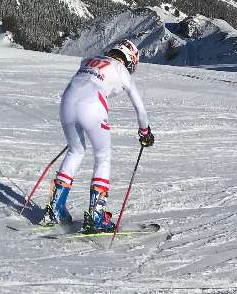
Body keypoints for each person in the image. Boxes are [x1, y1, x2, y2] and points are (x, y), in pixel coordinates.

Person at [43, 39, 155, 232]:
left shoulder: (89, 59)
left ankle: (55, 209)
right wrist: (145, 132)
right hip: (92, 106)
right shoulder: (121, 69)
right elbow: (140, 108)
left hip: (67, 102)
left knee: (75, 151)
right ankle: (96, 216)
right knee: (102, 157)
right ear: (130, 60)